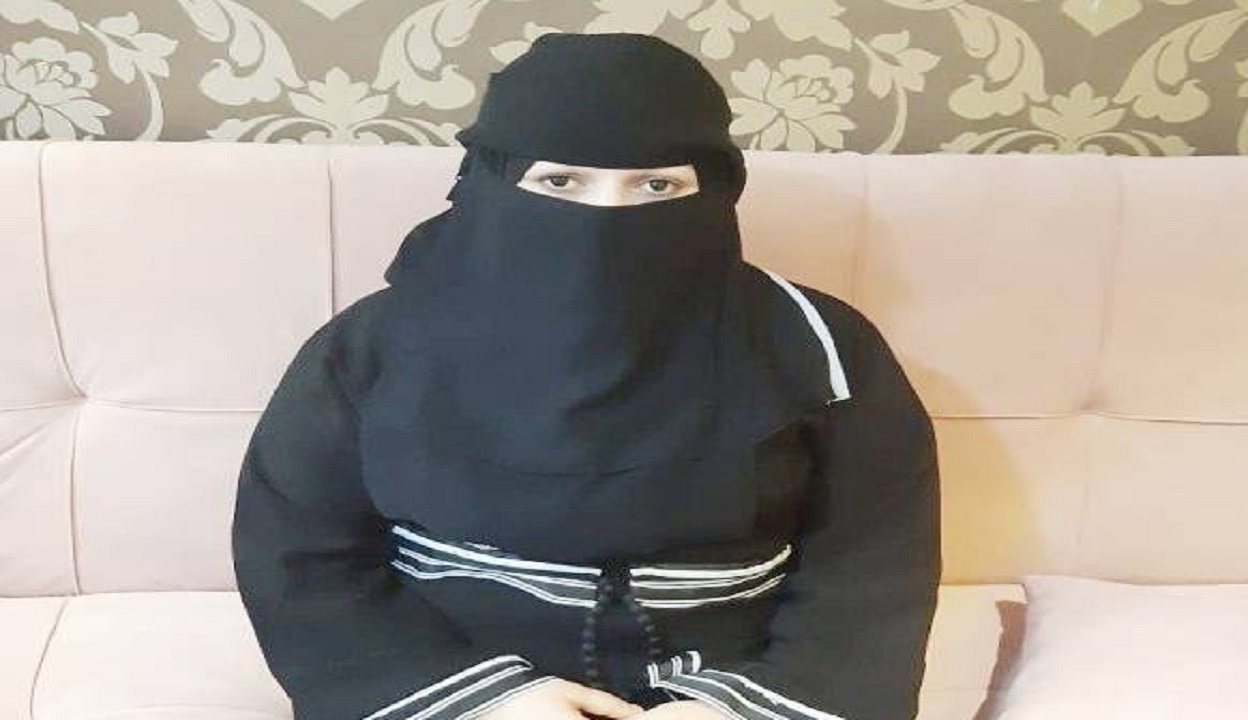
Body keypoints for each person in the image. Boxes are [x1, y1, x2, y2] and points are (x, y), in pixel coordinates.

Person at [231, 32, 940, 720]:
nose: (606, 216)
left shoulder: (821, 348)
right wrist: (488, 700)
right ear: (491, 180)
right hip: (450, 682)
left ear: (717, 190)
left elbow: (874, 560)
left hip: (734, 686)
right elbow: (301, 552)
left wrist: (739, 708)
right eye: (560, 180)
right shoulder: (372, 348)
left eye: (658, 184)